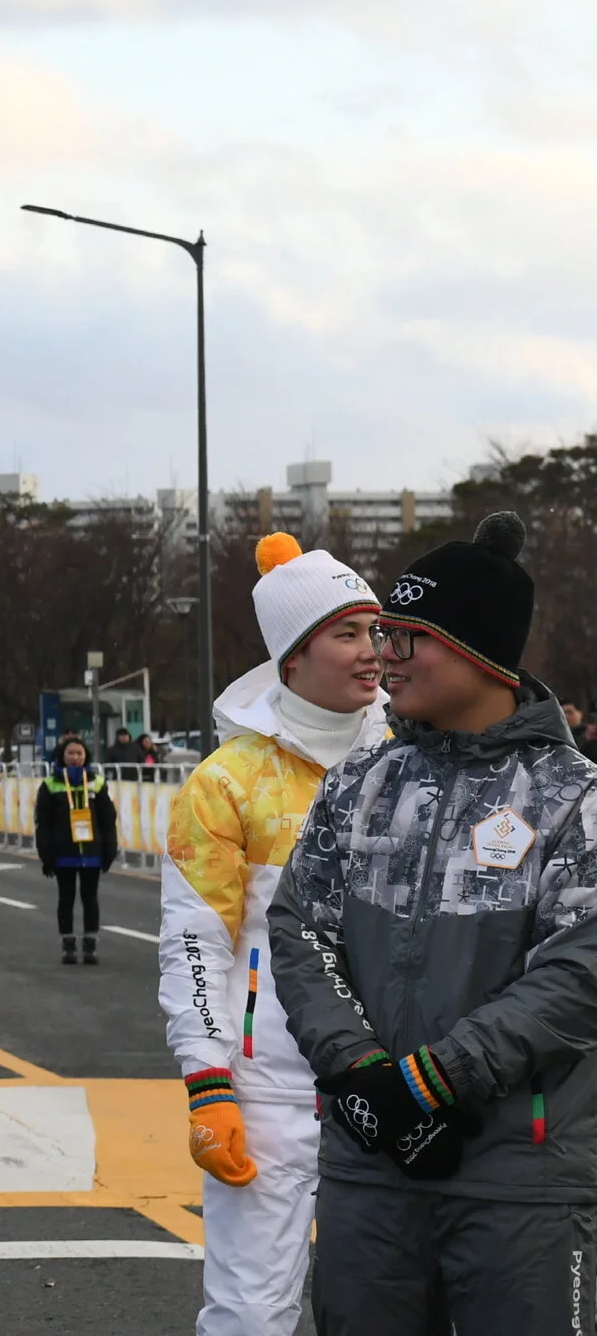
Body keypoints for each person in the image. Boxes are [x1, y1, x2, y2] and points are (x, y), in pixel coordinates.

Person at [271, 513, 597, 1334]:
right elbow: (300, 929)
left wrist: (434, 1080)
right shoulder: (361, 780)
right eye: (383, 633)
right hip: (371, 1159)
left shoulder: (573, 795)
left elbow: (577, 971)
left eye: (406, 636)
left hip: (522, 1179)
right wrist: (364, 1075)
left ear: (477, 651)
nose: (385, 655)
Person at [159, 534, 384, 1336]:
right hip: (271, 1088)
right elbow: (196, 942)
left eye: (376, 630)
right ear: (294, 656)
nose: (373, 650)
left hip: (394, 1079)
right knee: (251, 1312)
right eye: (348, 633)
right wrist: (208, 1079)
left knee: (385, 1312)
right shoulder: (226, 781)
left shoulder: (409, 761)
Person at [34, 733, 117, 965]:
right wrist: (45, 854)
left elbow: (108, 819)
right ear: (62, 756)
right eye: (70, 753)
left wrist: (110, 849)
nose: (75, 757)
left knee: (90, 898)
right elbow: (43, 822)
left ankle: (90, 946)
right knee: (66, 898)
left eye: (79, 753)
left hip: (92, 851)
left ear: (85, 756)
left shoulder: (97, 783)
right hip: (63, 851)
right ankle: (68, 945)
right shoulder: (50, 785)